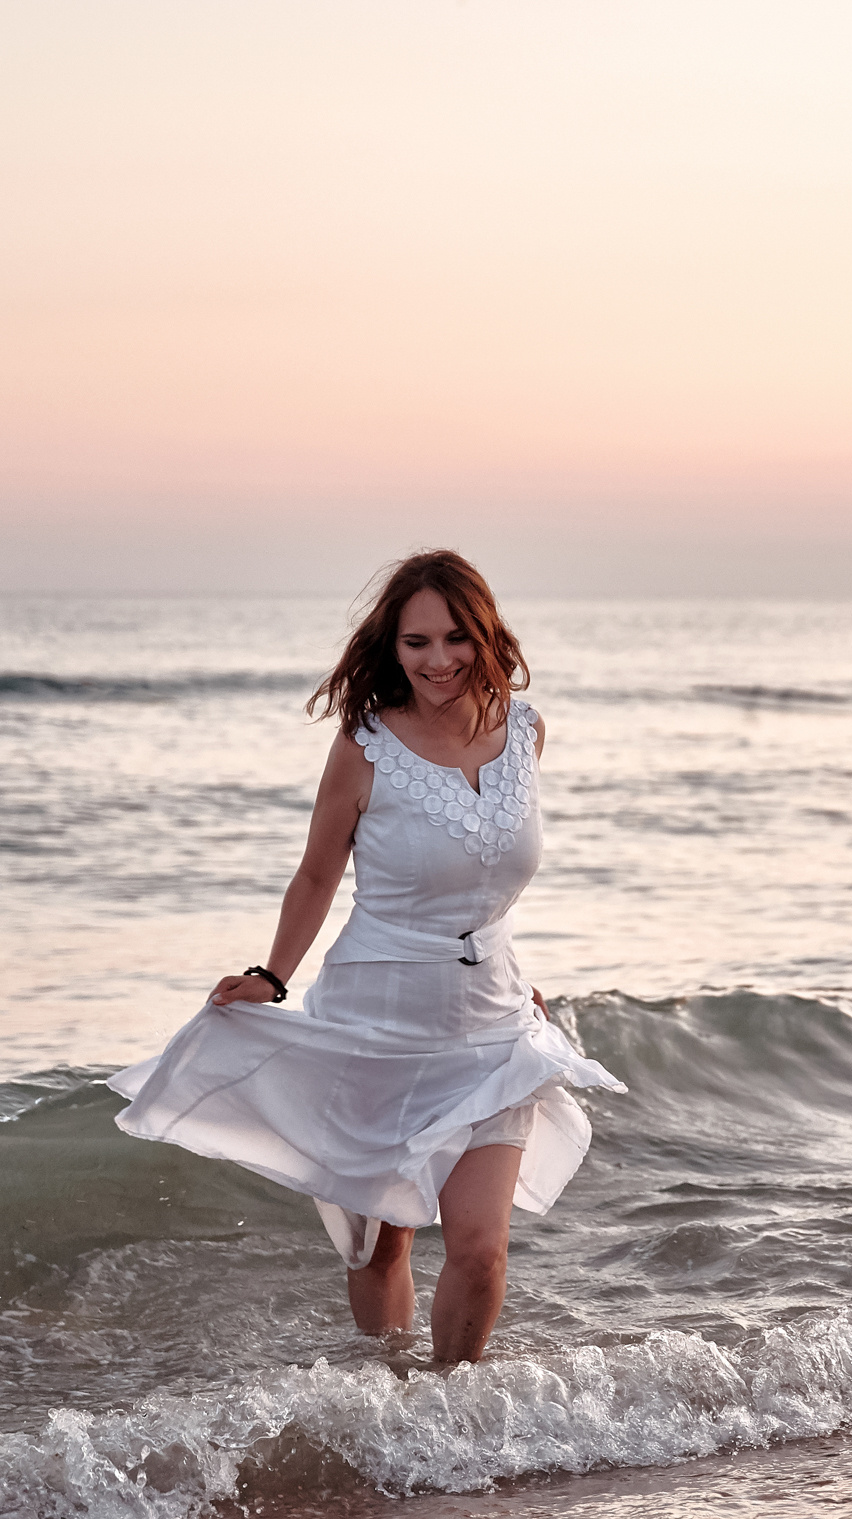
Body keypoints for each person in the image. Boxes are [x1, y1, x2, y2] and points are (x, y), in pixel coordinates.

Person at [108, 551, 624, 1364]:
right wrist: (273, 976)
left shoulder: (527, 732)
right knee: (381, 1248)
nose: (440, 660)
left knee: (482, 1246)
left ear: (486, 634)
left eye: (457, 638)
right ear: (392, 647)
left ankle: (450, 1414)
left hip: (491, 1018)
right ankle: (391, 1404)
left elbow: (490, 872)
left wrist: (518, 974)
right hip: (376, 1020)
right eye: (417, 642)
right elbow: (318, 872)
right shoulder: (367, 745)